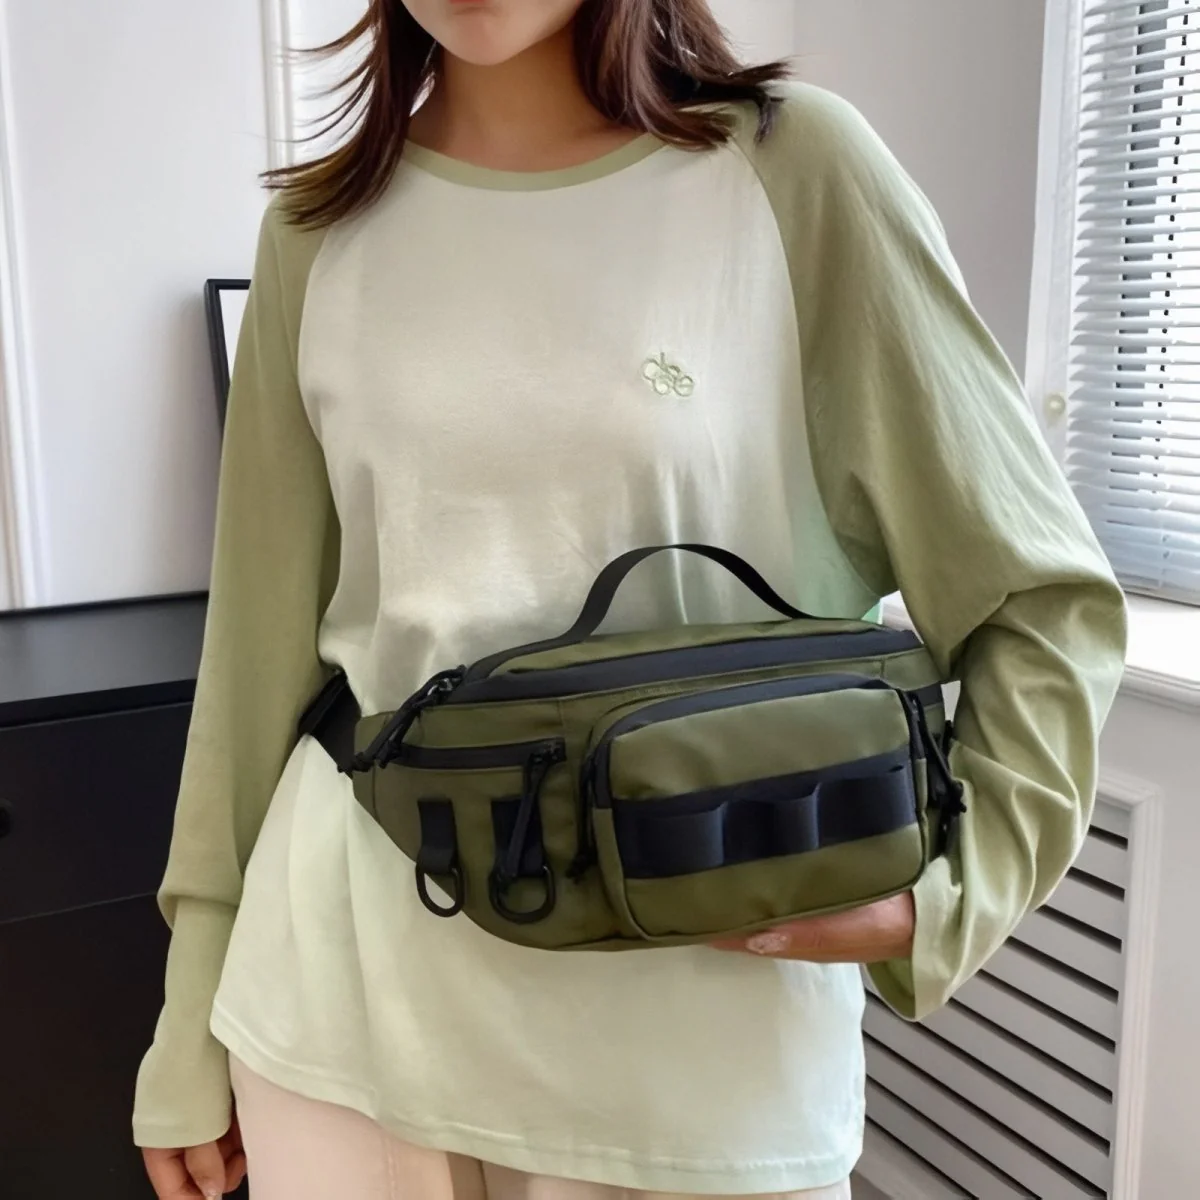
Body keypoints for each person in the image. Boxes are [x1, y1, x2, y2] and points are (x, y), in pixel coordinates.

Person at [133, 1, 1127, 1197]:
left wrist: (962, 886)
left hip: (700, 1049)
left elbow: (1038, 595)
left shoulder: (791, 169)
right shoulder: (316, 232)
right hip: (338, 1015)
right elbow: (255, 656)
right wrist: (189, 1006)